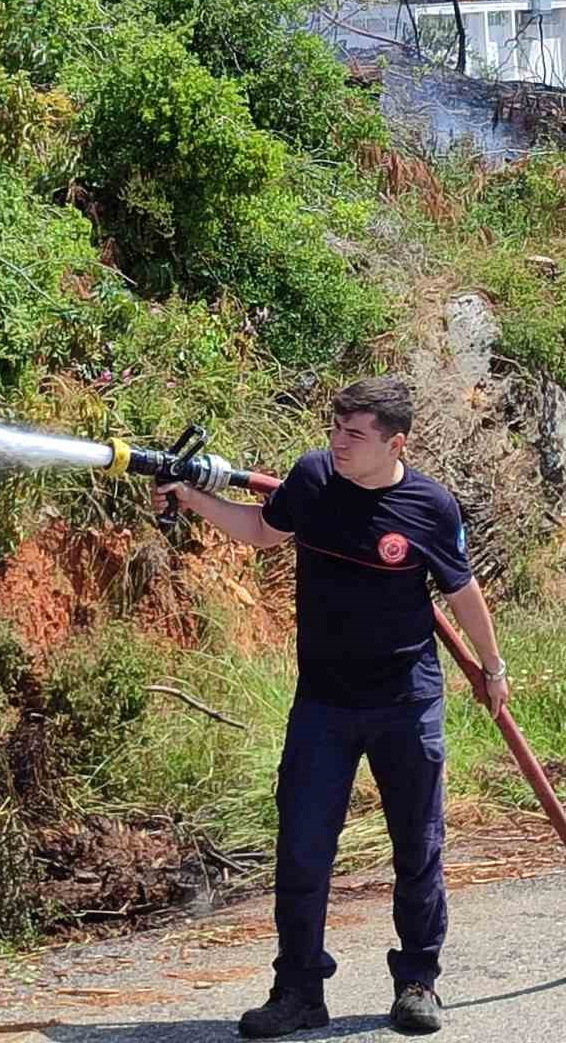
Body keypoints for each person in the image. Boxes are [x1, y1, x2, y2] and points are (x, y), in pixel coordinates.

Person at [153, 377, 508, 1038]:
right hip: (323, 702)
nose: (338, 443)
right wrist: (194, 498)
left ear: (394, 442)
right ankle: (298, 991)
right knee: (303, 848)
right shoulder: (313, 477)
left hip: (406, 700)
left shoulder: (430, 505)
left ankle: (418, 981)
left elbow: (462, 592)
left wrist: (493, 668)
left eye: (355, 434)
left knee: (417, 846)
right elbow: (260, 530)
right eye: (334, 429)